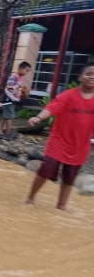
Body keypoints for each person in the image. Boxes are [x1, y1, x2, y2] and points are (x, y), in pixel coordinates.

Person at [25, 63, 94, 210]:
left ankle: (61, 206)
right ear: (80, 77)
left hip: (80, 146)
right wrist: (38, 117)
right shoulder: (68, 95)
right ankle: (30, 197)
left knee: (69, 178)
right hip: (59, 142)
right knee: (45, 170)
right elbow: (52, 108)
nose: (92, 77)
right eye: (88, 73)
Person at [0, 61, 31, 135]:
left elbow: (18, 87)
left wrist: (20, 90)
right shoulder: (13, 77)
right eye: (26, 70)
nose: (26, 73)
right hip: (8, 98)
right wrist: (19, 89)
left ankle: (1, 129)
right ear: (20, 68)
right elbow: (9, 87)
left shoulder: (20, 78)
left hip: (13, 99)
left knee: (6, 115)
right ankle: (8, 131)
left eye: (27, 71)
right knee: (10, 115)